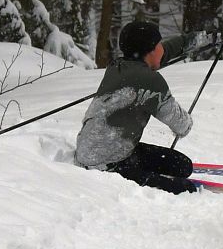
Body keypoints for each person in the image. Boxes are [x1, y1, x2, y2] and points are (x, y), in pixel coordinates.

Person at [74, 20, 199, 194]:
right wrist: (188, 122)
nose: (162, 48)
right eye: (159, 44)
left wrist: (193, 40)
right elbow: (181, 125)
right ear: (151, 50)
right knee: (185, 188)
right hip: (107, 165)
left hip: (91, 152)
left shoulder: (116, 66)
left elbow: (160, 55)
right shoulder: (151, 81)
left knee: (183, 165)